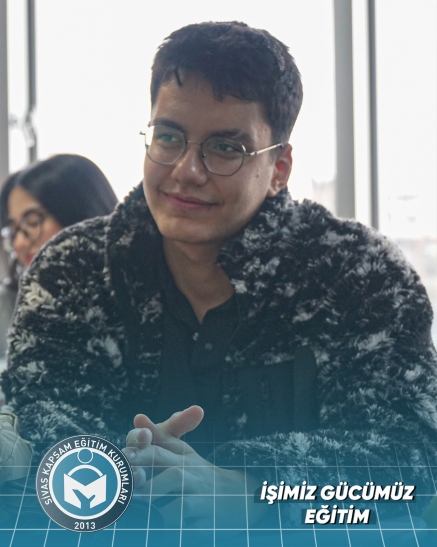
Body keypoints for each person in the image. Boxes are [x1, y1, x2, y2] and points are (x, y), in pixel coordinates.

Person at [1, 21, 437, 530]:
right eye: (169, 137)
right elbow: (34, 420)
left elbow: (412, 454)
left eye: (226, 148)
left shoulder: (358, 274)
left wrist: (253, 487)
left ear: (279, 169)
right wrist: (135, 464)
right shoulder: (72, 269)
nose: (186, 170)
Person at [0, 154, 118, 361]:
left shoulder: (138, 300)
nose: (19, 244)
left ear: (81, 216)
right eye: (13, 230)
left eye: (33, 222)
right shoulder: (7, 307)